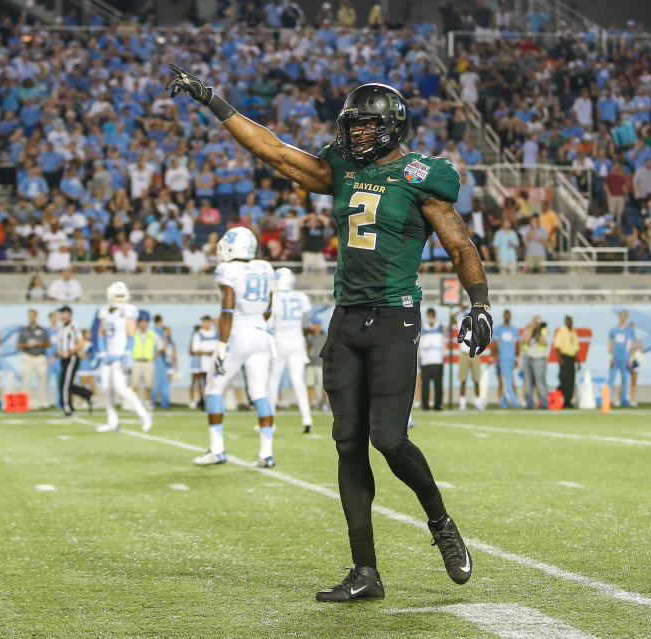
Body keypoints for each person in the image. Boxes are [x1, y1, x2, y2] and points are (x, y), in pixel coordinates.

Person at [166, 68, 491, 598]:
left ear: (391, 127)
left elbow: (459, 246)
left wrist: (480, 305)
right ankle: (365, 571)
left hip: (394, 316)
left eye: (365, 127)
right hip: (347, 318)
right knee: (347, 444)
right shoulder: (339, 167)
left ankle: (441, 524)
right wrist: (213, 101)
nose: (354, 136)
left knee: (388, 438)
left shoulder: (421, 176)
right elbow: (275, 152)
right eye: (351, 126)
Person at [189, 227, 275, 467]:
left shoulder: (228, 270)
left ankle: (217, 449)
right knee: (259, 391)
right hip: (261, 334)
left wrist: (222, 345)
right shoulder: (265, 267)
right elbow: (268, 307)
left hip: (238, 334)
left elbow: (227, 311)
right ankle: (266, 454)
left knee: (214, 388)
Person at [95, 282, 152, 432]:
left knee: (121, 388)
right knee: (106, 388)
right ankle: (112, 421)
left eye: (121, 296)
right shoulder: (104, 312)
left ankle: (144, 415)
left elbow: (131, 334)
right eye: (117, 296)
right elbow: (101, 333)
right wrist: (102, 352)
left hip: (120, 356)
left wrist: (127, 352)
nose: (119, 299)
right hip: (109, 355)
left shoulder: (128, 310)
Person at [268, 267, 314, 432]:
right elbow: (306, 323)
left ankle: (270, 421)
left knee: (273, 381)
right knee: (298, 380)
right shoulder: (300, 297)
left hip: (280, 341)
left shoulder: (274, 298)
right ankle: (307, 418)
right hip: (297, 342)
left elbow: (269, 325)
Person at [52, 306, 93, 415]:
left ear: (69, 315)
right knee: (66, 384)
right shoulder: (62, 329)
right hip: (63, 359)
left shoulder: (73, 327)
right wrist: (55, 356)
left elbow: (80, 343)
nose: (63, 316)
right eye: (61, 314)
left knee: (65, 384)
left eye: (64, 314)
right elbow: (62, 347)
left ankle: (68, 409)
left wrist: (70, 352)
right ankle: (87, 394)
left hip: (71, 358)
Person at [128, 311, 165, 409]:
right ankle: (135, 403)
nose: (143, 324)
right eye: (141, 321)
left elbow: (161, 346)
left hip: (148, 362)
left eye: (145, 322)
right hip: (136, 361)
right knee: (134, 383)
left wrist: (154, 357)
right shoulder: (134, 333)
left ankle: (147, 402)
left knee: (148, 383)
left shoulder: (152, 334)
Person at [16, 309, 51, 409]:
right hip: (28, 356)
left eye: (33, 316)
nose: (31, 318)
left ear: (36, 316)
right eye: (29, 316)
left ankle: (43, 403)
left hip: (40, 356)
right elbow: (18, 345)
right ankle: (23, 404)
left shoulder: (42, 330)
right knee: (25, 381)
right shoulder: (24, 330)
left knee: (43, 381)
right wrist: (27, 345)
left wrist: (40, 344)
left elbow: (48, 343)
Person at [455, 304, 483, 411]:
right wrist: (460, 309)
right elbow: (452, 316)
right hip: (464, 354)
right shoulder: (460, 324)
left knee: (476, 380)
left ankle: (478, 402)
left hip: (475, 354)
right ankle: (462, 403)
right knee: (463, 380)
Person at [492, 310, 521, 408]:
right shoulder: (499, 329)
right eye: (506, 315)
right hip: (502, 358)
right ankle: (513, 400)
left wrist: (517, 358)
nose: (507, 317)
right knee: (506, 381)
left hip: (511, 358)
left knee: (508, 380)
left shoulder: (514, 330)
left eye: (509, 315)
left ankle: (503, 402)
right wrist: (494, 356)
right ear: (504, 316)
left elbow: (517, 345)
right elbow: (495, 344)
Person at [418, 308, 445, 411]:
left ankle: (438, 405)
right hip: (426, 361)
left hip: (438, 360)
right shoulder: (423, 328)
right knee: (425, 385)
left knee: (438, 385)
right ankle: (425, 405)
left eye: (432, 315)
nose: (430, 317)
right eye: (429, 315)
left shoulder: (440, 327)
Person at [608, 310, 636, 407]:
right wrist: (610, 357)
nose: (622, 318)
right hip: (615, 359)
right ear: (619, 317)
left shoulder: (630, 331)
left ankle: (624, 399)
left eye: (624, 316)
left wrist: (631, 359)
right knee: (611, 380)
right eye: (621, 316)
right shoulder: (614, 330)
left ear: (626, 318)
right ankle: (607, 400)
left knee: (625, 380)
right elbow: (611, 344)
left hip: (625, 359)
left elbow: (633, 345)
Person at [189, 316, 218, 409]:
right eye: (204, 322)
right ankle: (207, 405)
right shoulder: (198, 334)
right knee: (205, 385)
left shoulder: (215, 333)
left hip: (214, 364)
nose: (206, 324)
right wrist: (207, 352)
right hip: (204, 365)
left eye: (208, 321)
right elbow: (194, 349)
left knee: (215, 384)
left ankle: (215, 404)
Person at [521, 316, 549, 409]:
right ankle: (529, 404)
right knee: (528, 383)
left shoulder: (544, 330)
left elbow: (544, 343)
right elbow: (525, 341)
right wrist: (531, 330)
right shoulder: (529, 330)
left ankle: (544, 404)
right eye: (535, 322)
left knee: (540, 383)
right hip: (528, 359)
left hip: (539, 360)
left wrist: (539, 331)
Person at [554, 315, 580, 408]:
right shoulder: (562, 331)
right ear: (565, 322)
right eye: (568, 321)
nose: (570, 322)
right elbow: (557, 347)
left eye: (571, 321)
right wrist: (560, 359)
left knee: (571, 380)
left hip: (571, 359)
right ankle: (560, 400)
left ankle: (568, 401)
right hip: (564, 358)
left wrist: (578, 362)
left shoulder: (573, 333)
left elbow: (576, 348)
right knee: (563, 380)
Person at [305, 318, 328, 410]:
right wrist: (306, 359)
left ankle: (324, 403)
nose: (315, 326)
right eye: (314, 324)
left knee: (323, 386)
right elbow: (307, 348)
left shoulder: (324, 336)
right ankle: (312, 402)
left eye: (317, 324)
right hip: (311, 363)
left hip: (321, 363)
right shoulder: (309, 336)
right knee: (310, 384)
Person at [628, 324, 644, 408]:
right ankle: (624, 398)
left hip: (635, 364)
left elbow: (640, 351)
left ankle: (632, 399)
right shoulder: (626, 339)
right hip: (626, 362)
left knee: (633, 382)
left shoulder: (635, 340)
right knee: (625, 381)